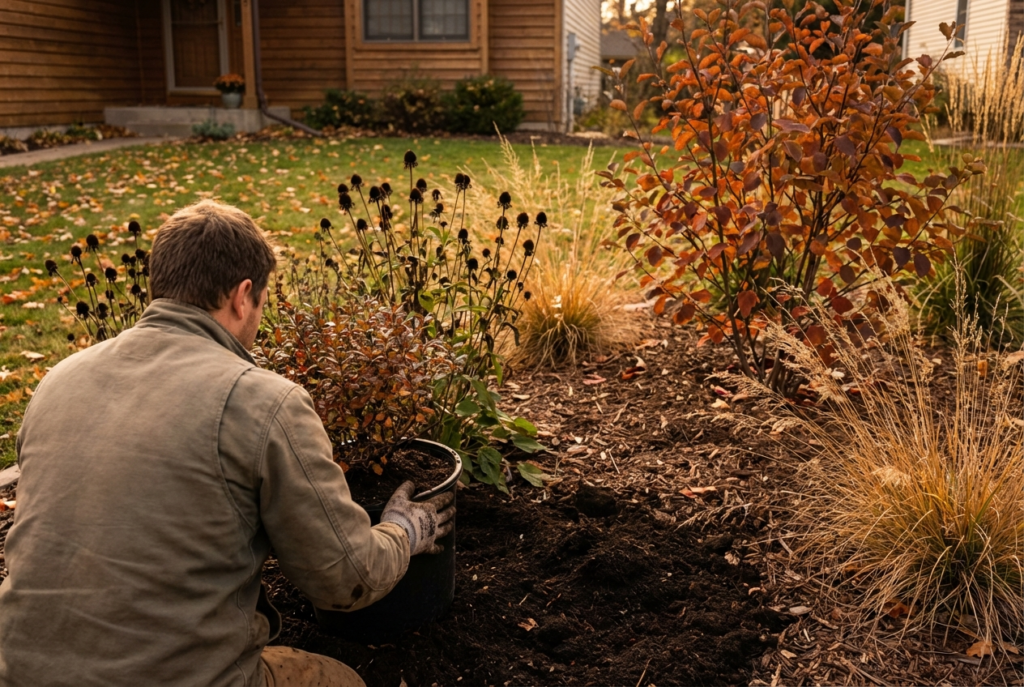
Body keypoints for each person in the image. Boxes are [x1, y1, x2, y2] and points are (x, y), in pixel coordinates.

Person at [0, 200, 455, 687]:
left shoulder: (58, 381)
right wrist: (404, 530)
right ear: (242, 297)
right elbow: (345, 580)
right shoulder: (261, 401)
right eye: (261, 302)